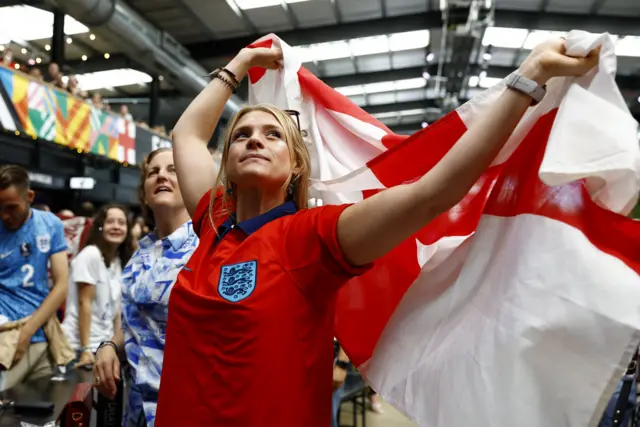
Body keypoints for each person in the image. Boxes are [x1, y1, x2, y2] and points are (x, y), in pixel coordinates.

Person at [154, 37, 600, 426]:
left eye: (273, 135)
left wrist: (528, 77)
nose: (253, 139)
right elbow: (187, 135)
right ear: (227, 163)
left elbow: (431, 193)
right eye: (241, 134)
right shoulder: (213, 221)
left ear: (296, 167)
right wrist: (241, 63)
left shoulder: (314, 236)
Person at [92, 148, 198, 427]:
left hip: (188, 409)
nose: (162, 175)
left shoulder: (207, 247)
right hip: (137, 410)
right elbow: (134, 324)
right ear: (144, 194)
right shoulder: (141, 255)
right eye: (154, 172)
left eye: (173, 170)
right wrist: (109, 346)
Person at [0, 165, 69, 391]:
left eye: (11, 207)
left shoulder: (51, 224)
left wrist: (27, 333)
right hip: (5, 336)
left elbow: (61, 285)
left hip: (40, 335)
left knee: (40, 414)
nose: (4, 215)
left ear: (29, 197)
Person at [61, 204, 134, 367]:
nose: (116, 227)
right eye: (110, 222)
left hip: (102, 346)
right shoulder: (90, 255)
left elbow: (117, 310)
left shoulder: (117, 261)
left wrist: (115, 346)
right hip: (78, 347)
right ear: (100, 226)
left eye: (121, 223)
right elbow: (84, 303)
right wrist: (86, 349)